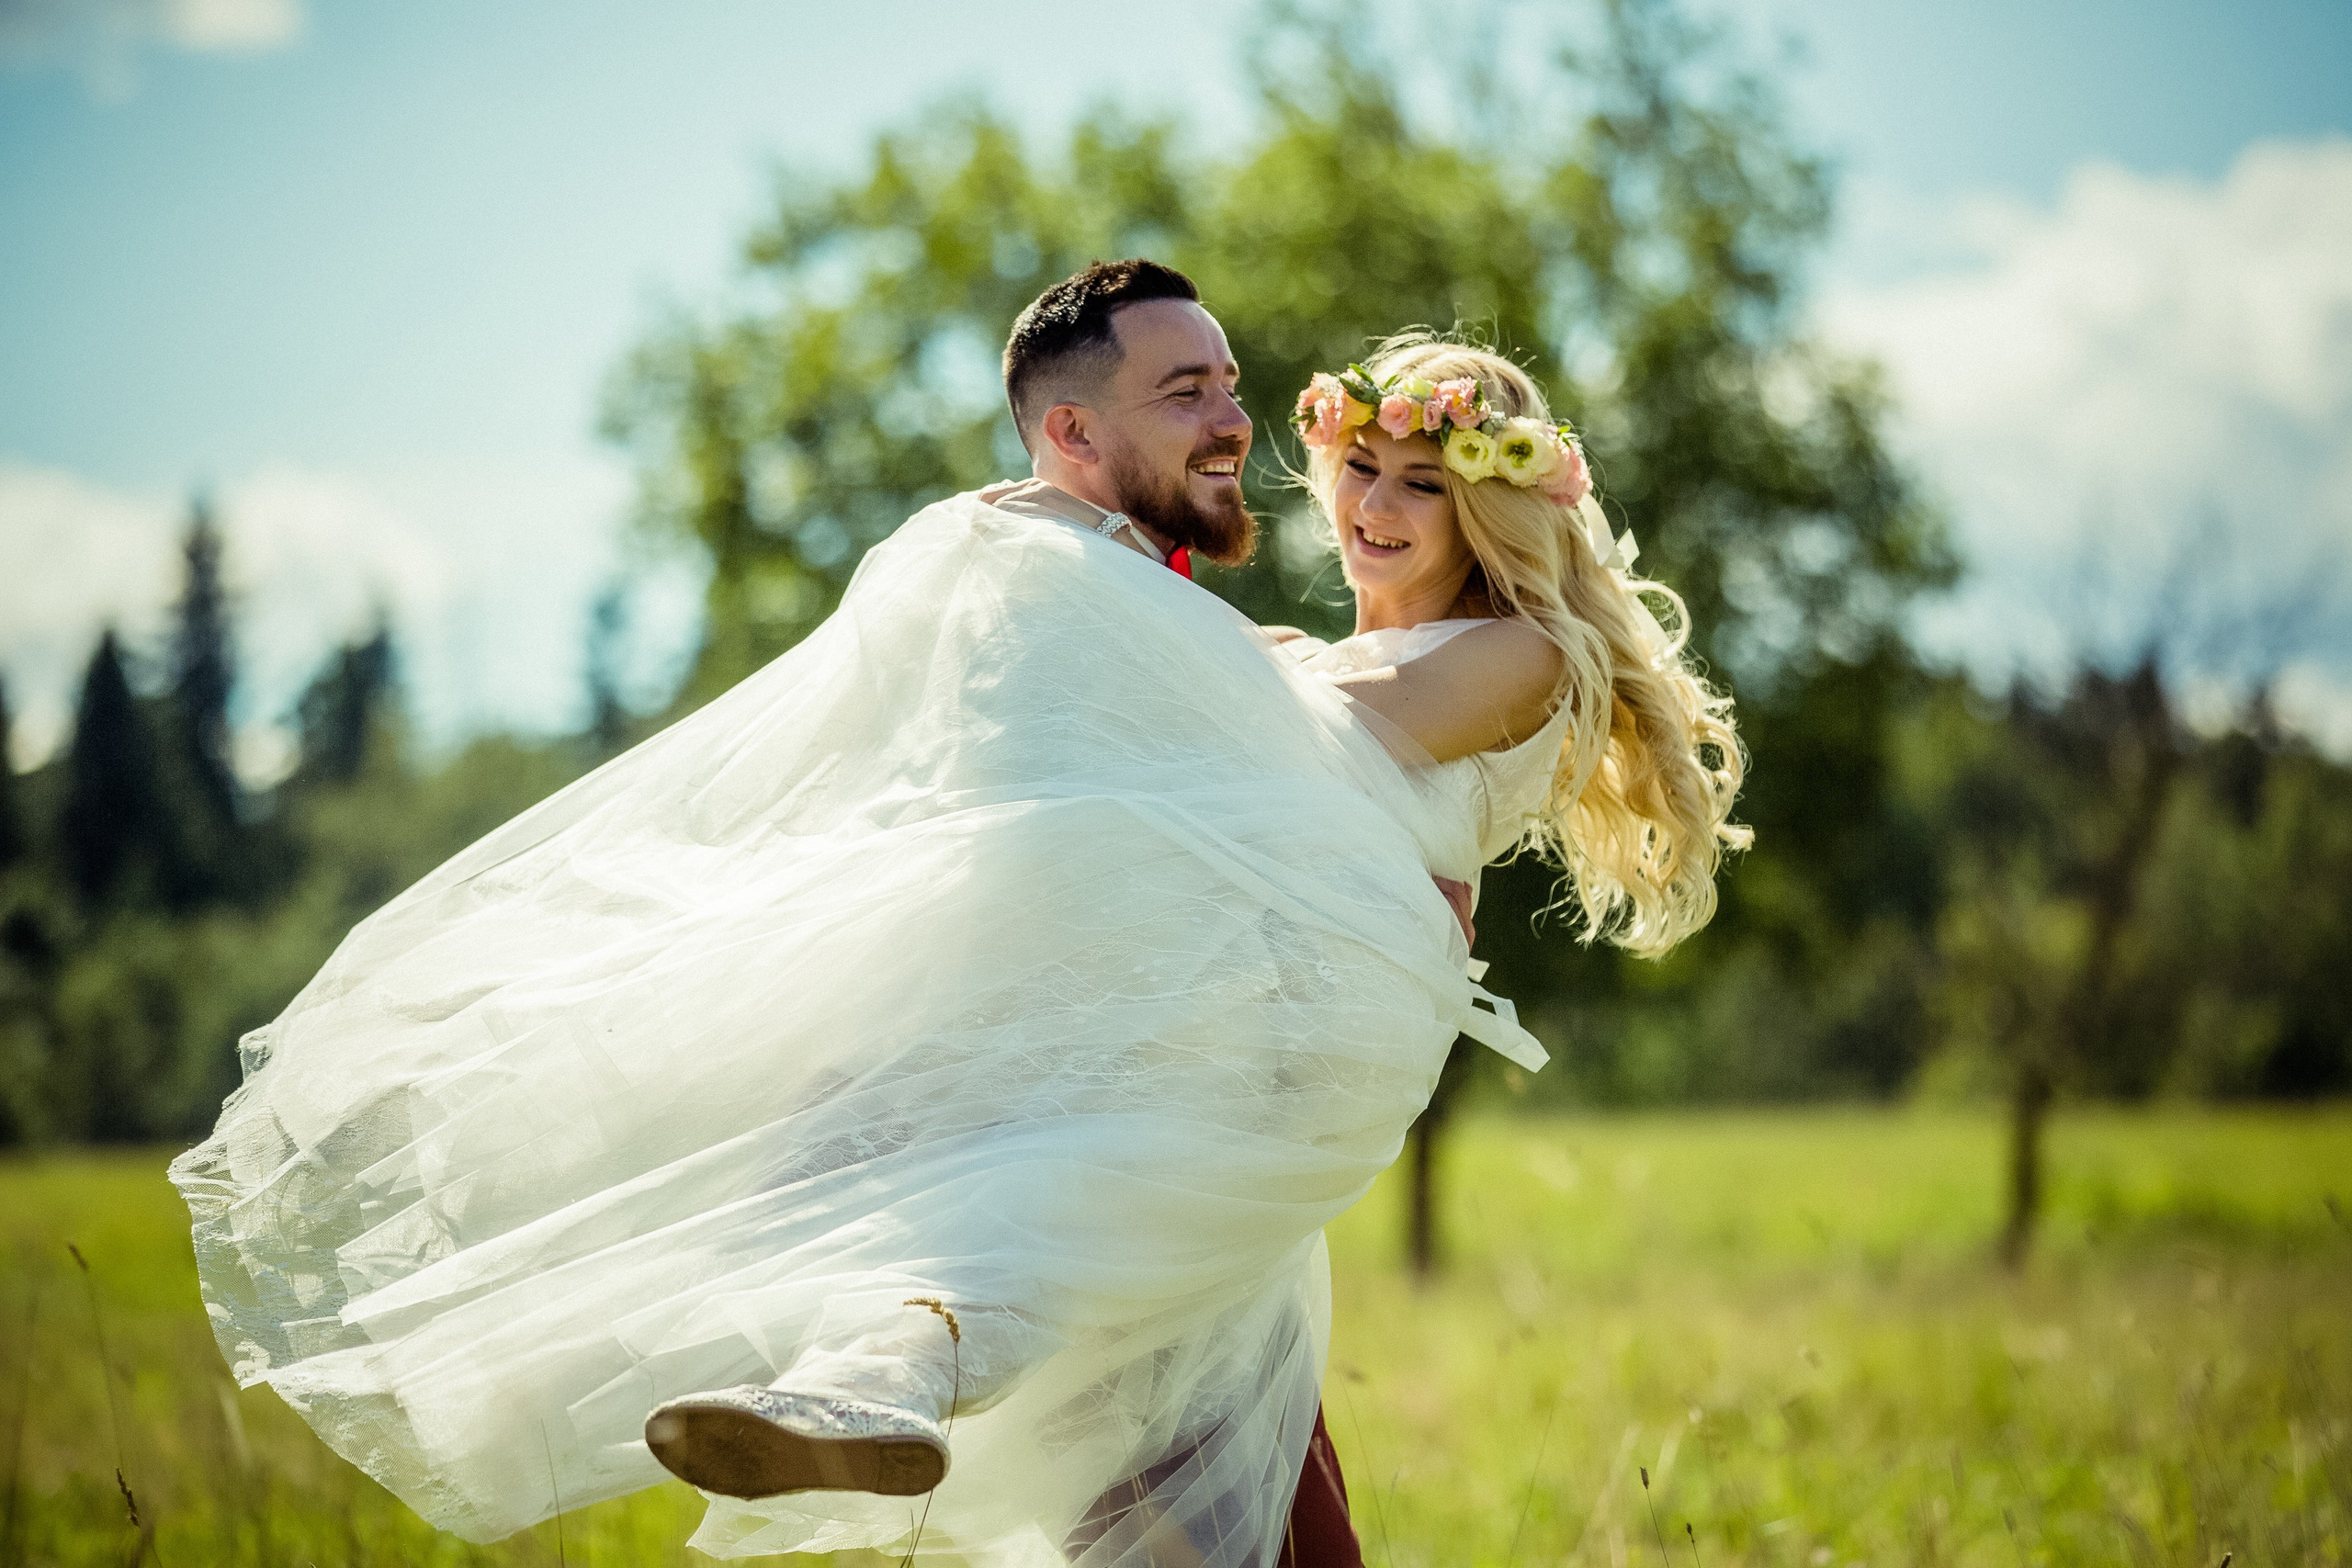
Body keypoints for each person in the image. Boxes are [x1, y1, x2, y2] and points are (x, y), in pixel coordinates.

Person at [168, 264, 1738, 1568]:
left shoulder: (1518, 656)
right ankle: (839, 1364)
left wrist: (1066, 562)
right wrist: (1035, 569)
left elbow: (1318, 741)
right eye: (1364, 474)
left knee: (1076, 1251)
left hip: (1296, 1064)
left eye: (1425, 487)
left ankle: (874, 1367)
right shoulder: (1275, 649)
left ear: (1493, 514)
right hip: (1192, 1042)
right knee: (1180, 1446)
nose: (1377, 509)